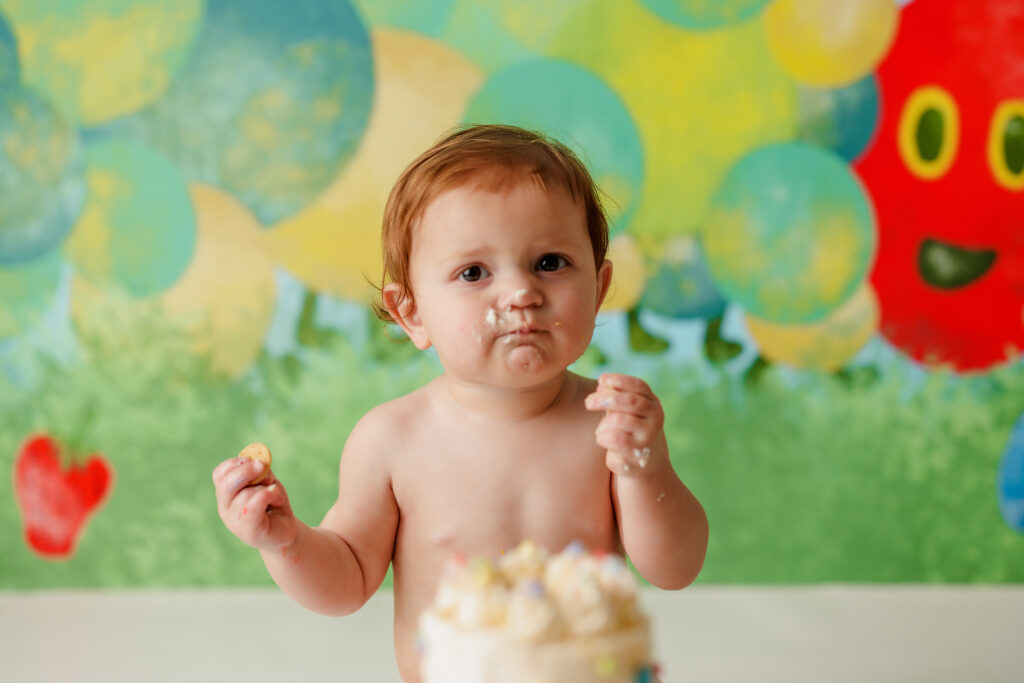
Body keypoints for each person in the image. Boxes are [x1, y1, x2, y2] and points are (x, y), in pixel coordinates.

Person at [212, 124, 709, 682]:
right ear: (412, 313)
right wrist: (286, 543)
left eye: (550, 262)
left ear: (599, 286)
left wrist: (647, 470)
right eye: (474, 272)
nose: (521, 292)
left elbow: (674, 569)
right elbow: (347, 581)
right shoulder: (393, 440)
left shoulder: (609, 428)